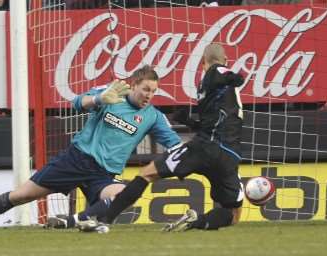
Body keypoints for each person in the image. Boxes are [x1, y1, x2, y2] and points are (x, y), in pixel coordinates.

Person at [0, 65, 181, 231]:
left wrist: (191, 156)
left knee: (125, 195)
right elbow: (76, 102)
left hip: (103, 175)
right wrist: (98, 99)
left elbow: (175, 144)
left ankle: (71, 221)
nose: (149, 95)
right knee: (21, 195)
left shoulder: (153, 117)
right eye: (146, 89)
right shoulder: (113, 92)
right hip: (76, 160)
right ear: (134, 84)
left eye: (153, 91)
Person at [76, 43, 245, 232]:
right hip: (229, 155)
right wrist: (190, 122)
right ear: (227, 60)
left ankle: (104, 220)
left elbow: (220, 72)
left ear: (202, 62)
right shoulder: (226, 95)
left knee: (146, 174)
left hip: (204, 148)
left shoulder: (216, 73)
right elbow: (216, 123)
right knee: (233, 214)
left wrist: (234, 77)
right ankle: (195, 221)